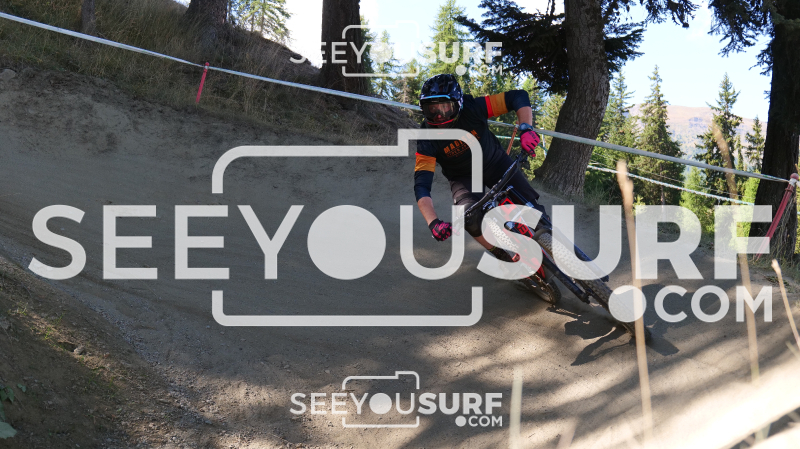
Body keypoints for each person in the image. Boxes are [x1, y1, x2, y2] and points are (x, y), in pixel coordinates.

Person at [413, 74, 547, 262]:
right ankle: (501, 254)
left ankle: (553, 242)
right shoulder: (426, 138)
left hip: (496, 162)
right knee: (470, 219)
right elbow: (422, 185)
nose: (439, 115)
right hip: (463, 179)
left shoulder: (472, 107)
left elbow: (518, 96)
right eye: (432, 109)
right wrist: (433, 222)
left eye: (445, 107)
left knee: (535, 213)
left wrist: (526, 128)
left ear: (458, 104)